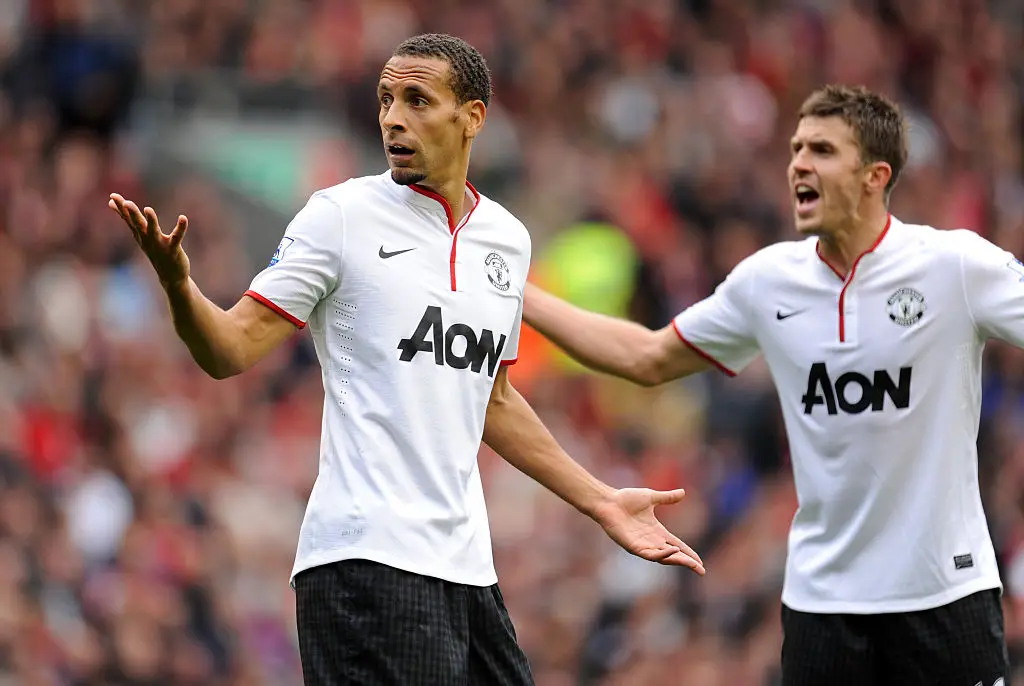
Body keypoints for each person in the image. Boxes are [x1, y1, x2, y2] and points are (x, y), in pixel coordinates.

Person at [107, 33, 704, 686]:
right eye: (386, 99)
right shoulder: (340, 217)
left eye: (417, 100)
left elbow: (492, 399)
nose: (393, 116)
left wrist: (602, 501)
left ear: (472, 117)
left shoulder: (505, 240)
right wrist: (179, 284)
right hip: (365, 562)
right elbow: (229, 349)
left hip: (465, 570)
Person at [523, 84, 1013, 686]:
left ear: (875, 176)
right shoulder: (768, 282)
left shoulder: (955, 267)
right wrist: (518, 292)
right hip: (822, 606)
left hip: (944, 594)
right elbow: (645, 356)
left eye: (823, 150)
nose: (800, 164)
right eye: (796, 148)